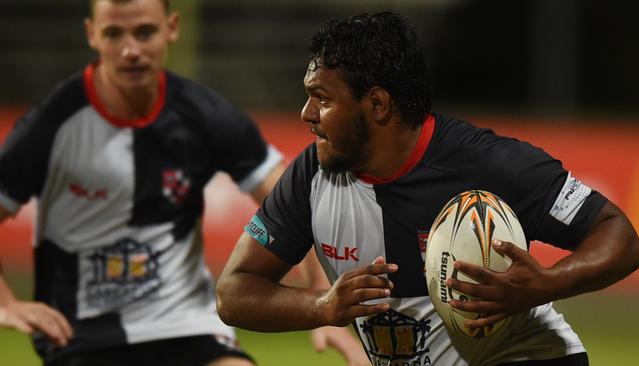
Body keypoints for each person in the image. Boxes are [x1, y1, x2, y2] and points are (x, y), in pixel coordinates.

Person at [216, 11, 639, 366]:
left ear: (378, 104)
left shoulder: (487, 163)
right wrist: (322, 307)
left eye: (322, 98)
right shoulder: (312, 175)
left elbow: (619, 237)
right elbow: (234, 293)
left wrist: (546, 283)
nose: (306, 113)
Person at [0, 0, 367, 365]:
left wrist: (321, 299)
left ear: (171, 28)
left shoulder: (203, 114)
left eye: (144, 32)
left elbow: (294, 202)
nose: (131, 50)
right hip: (85, 337)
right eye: (114, 34)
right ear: (92, 35)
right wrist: (6, 303)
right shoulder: (54, 123)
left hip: (186, 327)